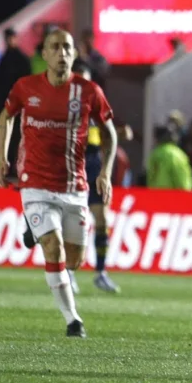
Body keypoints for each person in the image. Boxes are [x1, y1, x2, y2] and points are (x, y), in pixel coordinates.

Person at [0, 28, 118, 338]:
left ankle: (34, 229)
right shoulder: (25, 87)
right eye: (56, 47)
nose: (62, 53)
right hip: (34, 182)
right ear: (45, 55)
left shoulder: (88, 91)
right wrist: (2, 158)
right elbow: (5, 118)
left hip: (74, 186)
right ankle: (72, 320)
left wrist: (105, 172)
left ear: (74, 54)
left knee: (74, 260)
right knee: (54, 247)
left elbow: (109, 133)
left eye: (67, 47)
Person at [73, 61, 121, 293]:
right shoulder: (64, 105)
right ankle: (68, 272)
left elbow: (105, 134)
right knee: (73, 221)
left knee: (102, 220)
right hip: (72, 166)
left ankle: (101, 272)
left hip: (93, 166)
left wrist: (106, 172)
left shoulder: (95, 103)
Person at [147, 126, 192, 190]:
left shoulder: (155, 154)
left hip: (156, 196)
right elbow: (182, 180)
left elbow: (150, 178)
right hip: (173, 197)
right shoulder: (177, 154)